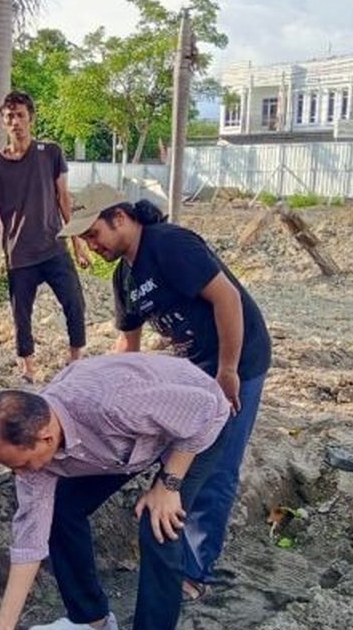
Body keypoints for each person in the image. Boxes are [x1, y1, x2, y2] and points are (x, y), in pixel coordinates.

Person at [0, 354, 237, 630]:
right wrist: (5, 623)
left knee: (158, 523)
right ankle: (93, 622)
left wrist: (169, 482)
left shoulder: (113, 403)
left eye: (20, 464)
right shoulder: (38, 452)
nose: (20, 475)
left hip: (195, 427)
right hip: (124, 447)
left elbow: (207, 409)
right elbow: (30, 536)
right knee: (61, 510)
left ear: (46, 437)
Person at [58, 184, 271, 602]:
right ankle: (175, 553)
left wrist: (228, 369)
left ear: (120, 217)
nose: (91, 245)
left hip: (238, 361)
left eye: (93, 234)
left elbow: (227, 298)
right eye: (83, 239)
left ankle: (194, 570)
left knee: (217, 466)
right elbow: (127, 347)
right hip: (192, 373)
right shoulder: (125, 277)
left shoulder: (170, 245)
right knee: (182, 453)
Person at [0, 90, 91, 383]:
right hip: (19, 254)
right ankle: (28, 369)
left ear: (30, 118)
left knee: (74, 303)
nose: (15, 121)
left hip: (54, 246)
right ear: (4, 123)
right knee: (21, 317)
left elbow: (63, 199)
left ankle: (76, 359)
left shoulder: (50, 152)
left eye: (20, 115)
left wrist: (78, 242)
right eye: (9, 117)